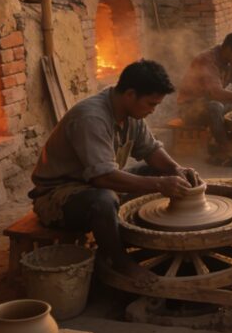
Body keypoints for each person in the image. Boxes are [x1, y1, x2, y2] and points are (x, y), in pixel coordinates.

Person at [29, 59, 198, 284]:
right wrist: (160, 184)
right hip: (58, 194)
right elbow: (103, 177)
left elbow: (150, 149)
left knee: (157, 173)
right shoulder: (91, 118)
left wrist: (176, 169)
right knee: (103, 200)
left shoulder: (131, 114)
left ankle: (137, 238)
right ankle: (120, 262)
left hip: (92, 183)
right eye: (150, 104)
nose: (152, 111)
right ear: (130, 94)